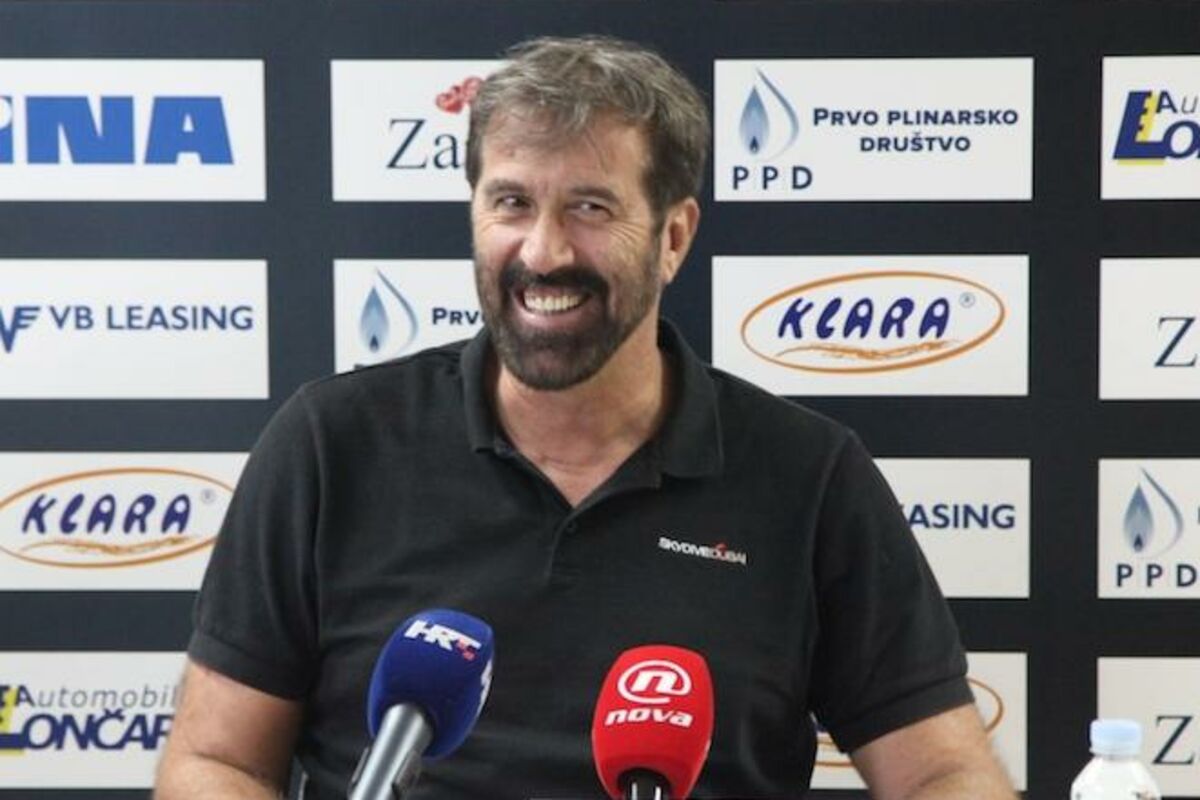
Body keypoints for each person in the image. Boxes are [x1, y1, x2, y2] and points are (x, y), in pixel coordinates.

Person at [155, 36, 1017, 800]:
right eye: (512, 203)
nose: (544, 252)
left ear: (673, 237)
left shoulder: (810, 476)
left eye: (590, 208)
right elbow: (215, 760)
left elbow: (941, 774)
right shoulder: (331, 444)